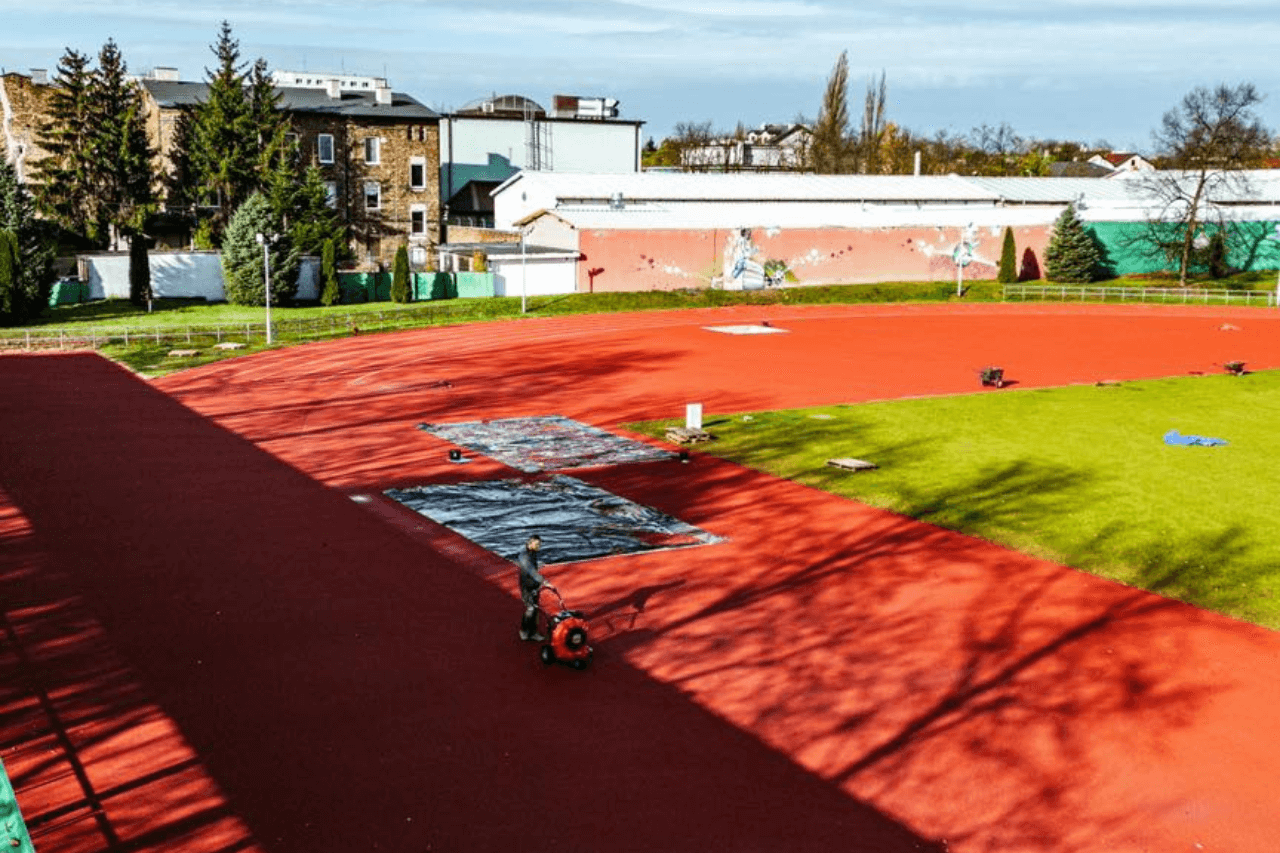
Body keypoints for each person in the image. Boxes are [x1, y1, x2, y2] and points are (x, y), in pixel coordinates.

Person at [516, 534, 553, 641]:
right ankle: (524, 631)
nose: (539, 546)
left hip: (534, 585)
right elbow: (531, 571)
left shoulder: (533, 554)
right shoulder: (524, 556)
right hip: (527, 587)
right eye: (537, 544)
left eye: (539, 544)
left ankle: (533, 632)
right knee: (530, 609)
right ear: (530, 543)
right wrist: (544, 581)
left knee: (535, 609)